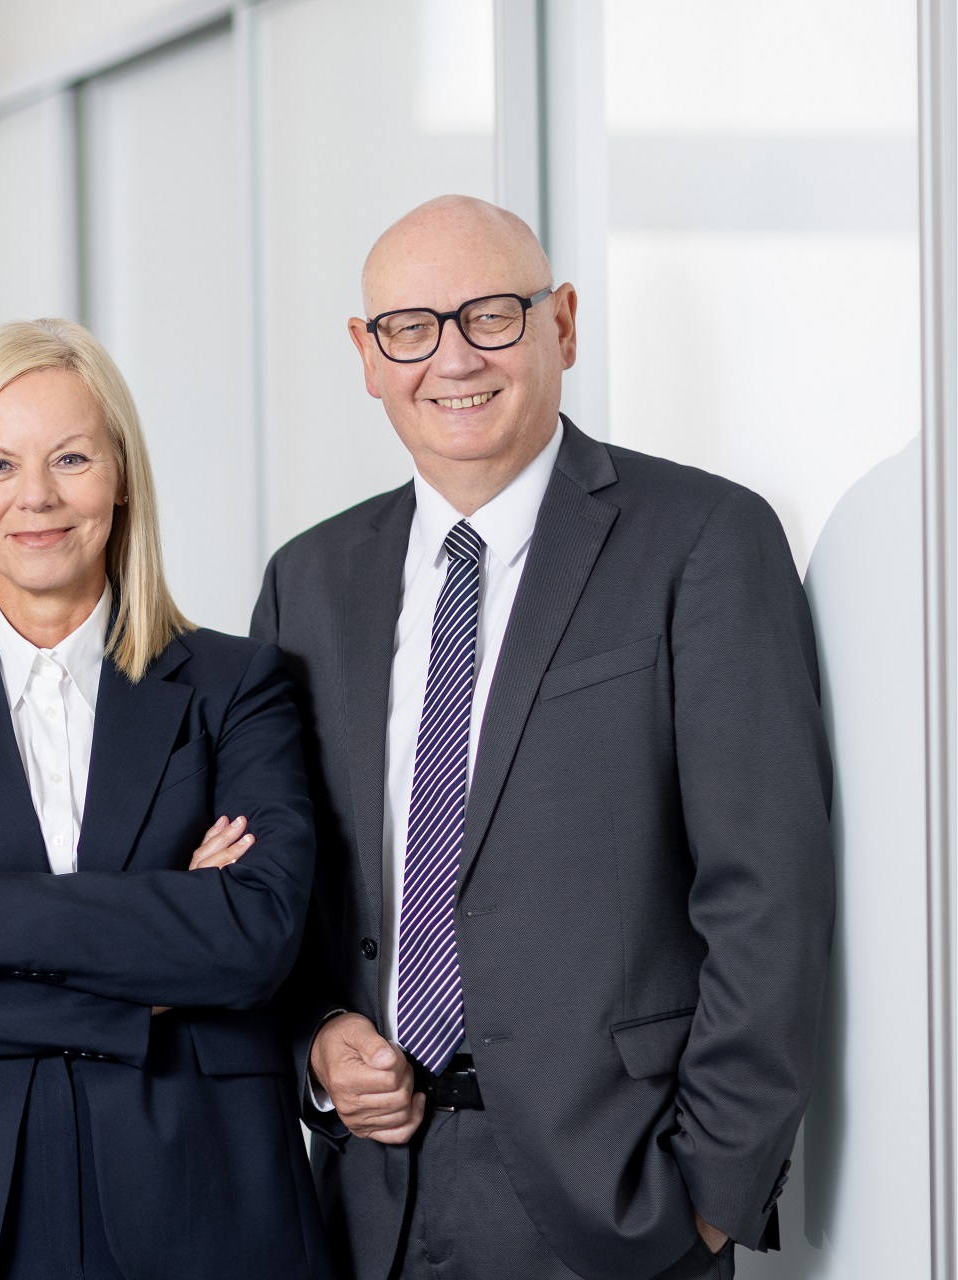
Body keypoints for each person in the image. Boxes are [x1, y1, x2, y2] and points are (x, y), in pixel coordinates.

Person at [254, 195, 834, 1280]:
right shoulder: (309, 581)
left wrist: (710, 1190)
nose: (453, 358)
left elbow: (769, 892)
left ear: (562, 323)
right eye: (411, 328)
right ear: (367, 356)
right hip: (365, 1206)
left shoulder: (704, 540)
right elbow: (284, 883)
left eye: (492, 315)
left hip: (615, 1203)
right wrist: (315, 1043)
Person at [0, 318, 331, 1279]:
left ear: (121, 476)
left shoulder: (238, 684)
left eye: (72, 458)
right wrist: (154, 967)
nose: (36, 497)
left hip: (200, 1189)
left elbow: (254, 936)